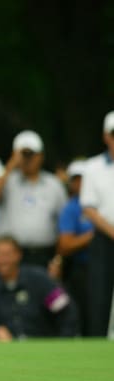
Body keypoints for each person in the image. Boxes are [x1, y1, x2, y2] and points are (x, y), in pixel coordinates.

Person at [0, 130, 67, 269]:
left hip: (44, 255)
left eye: (31, 154)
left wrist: (58, 260)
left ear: (41, 156)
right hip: (11, 257)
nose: (28, 159)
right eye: (24, 154)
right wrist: (11, 164)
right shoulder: (8, 181)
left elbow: (64, 225)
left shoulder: (54, 184)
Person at [0, 237, 76, 341]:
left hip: (41, 344)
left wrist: (65, 338)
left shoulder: (38, 279)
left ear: (18, 255)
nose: (2, 260)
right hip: (6, 347)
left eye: (7, 254)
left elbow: (63, 308)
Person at [80, 110, 114, 337]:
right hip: (103, 239)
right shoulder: (92, 167)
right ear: (105, 136)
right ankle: (97, 345)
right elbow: (89, 208)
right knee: (99, 297)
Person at [56, 159, 93, 333]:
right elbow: (65, 245)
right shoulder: (71, 208)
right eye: (75, 179)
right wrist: (96, 236)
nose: (79, 183)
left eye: (83, 178)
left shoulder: (102, 202)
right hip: (82, 268)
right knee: (85, 313)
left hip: (105, 265)